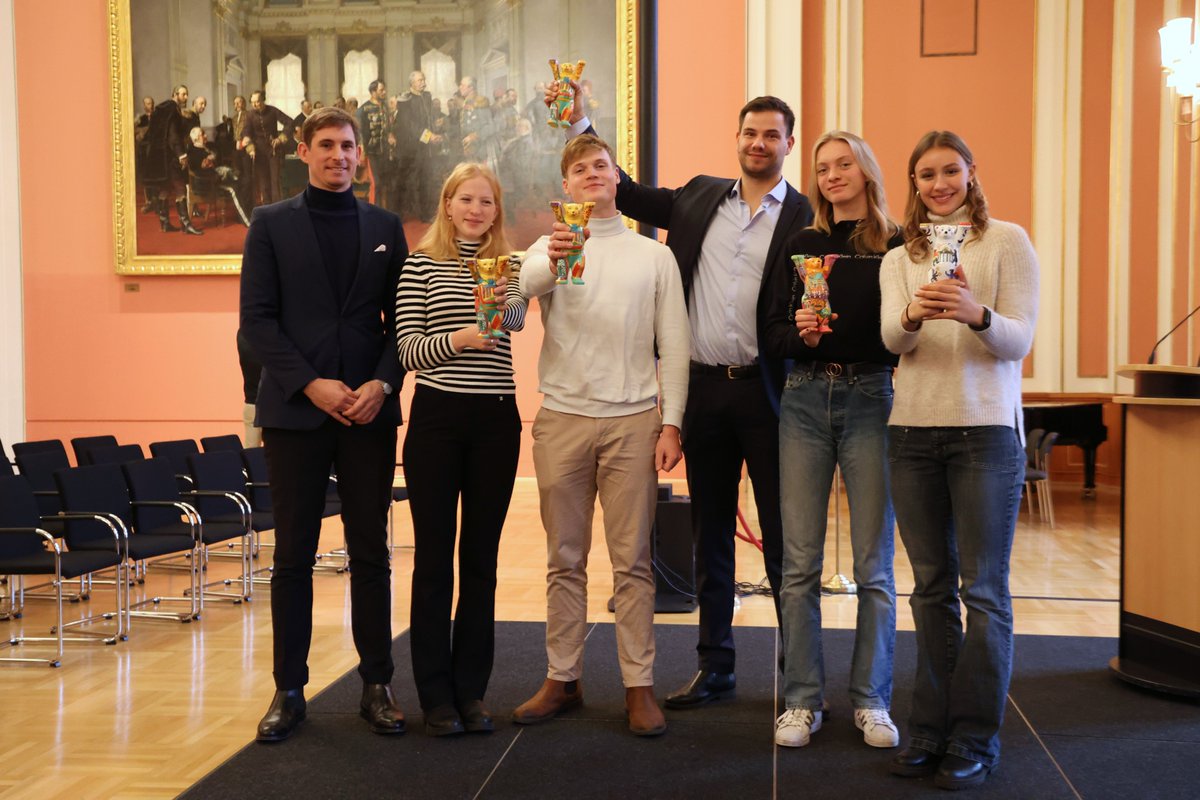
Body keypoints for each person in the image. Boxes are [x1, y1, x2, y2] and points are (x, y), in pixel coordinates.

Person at [556, 90, 814, 707]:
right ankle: (715, 664)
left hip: (769, 393)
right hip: (702, 392)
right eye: (749, 132)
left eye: (771, 135)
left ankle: (797, 674)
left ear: (788, 144)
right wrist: (581, 123)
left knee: (784, 537)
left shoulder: (806, 216)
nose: (758, 143)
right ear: (738, 137)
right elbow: (626, 189)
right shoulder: (701, 194)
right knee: (711, 533)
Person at [239, 106, 409, 743]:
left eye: (348, 146)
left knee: (371, 552)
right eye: (327, 145)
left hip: (367, 413)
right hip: (295, 414)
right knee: (293, 558)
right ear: (305, 152)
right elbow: (256, 323)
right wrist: (312, 383)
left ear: (360, 155)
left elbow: (406, 323)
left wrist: (381, 383)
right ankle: (288, 690)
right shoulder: (270, 224)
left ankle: (377, 683)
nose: (339, 155)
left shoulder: (386, 226)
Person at [512, 134, 689, 737]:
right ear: (566, 186)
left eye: (601, 165)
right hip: (561, 417)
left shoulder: (653, 255)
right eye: (579, 168)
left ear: (618, 178)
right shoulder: (551, 246)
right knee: (564, 560)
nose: (591, 173)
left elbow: (677, 347)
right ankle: (563, 677)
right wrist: (557, 253)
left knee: (633, 561)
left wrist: (673, 422)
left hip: (634, 418)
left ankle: (639, 686)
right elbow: (524, 286)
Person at [880, 130, 1038, 790]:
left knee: (985, 593)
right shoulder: (900, 257)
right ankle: (930, 728)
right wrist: (915, 312)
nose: (938, 183)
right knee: (931, 591)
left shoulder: (1007, 241)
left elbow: (1019, 341)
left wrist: (976, 314)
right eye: (926, 175)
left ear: (971, 173)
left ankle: (976, 737)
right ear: (913, 184)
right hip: (912, 434)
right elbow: (892, 339)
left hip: (984, 436)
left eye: (950, 171)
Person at [762, 131, 903, 750]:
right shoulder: (801, 243)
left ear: (866, 170)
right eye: (823, 168)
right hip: (804, 398)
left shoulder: (898, 245)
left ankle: (872, 700)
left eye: (844, 164)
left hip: (874, 395)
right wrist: (800, 334)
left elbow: (909, 333)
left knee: (874, 565)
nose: (833, 175)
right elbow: (769, 330)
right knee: (798, 565)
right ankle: (801, 701)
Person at [396, 163, 526, 737]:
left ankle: (471, 691)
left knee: (481, 560)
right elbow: (409, 351)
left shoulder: (507, 266)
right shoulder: (420, 265)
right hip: (438, 420)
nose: (476, 210)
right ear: (447, 204)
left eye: (487, 202)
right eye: (466, 199)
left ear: (497, 211)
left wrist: (498, 289)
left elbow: (515, 322)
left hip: (498, 418)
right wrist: (462, 338)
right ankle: (435, 695)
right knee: (433, 560)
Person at [145, 84, 202, 235]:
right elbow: (173, 136)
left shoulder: (164, 108)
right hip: (171, 157)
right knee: (180, 188)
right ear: (175, 94)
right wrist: (181, 155)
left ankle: (164, 223)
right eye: (183, 94)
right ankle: (186, 225)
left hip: (162, 156)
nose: (186, 97)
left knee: (164, 188)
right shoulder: (172, 110)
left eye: (187, 94)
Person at [186, 126, 251, 226]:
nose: (205, 136)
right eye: (202, 134)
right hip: (208, 183)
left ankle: (246, 215)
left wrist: (242, 143)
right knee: (234, 188)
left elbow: (225, 146)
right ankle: (247, 221)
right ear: (196, 139)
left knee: (244, 182)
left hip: (218, 177)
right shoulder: (192, 152)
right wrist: (211, 169)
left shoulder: (209, 146)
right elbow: (197, 171)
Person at [244, 90, 293, 206]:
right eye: (253, 102)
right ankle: (267, 208)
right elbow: (246, 132)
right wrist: (250, 147)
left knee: (275, 181)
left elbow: (289, 122)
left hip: (273, 150)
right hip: (259, 152)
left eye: (257, 102)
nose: (255, 105)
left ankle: (278, 208)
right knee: (263, 181)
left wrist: (280, 138)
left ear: (263, 100)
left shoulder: (272, 110)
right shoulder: (250, 115)